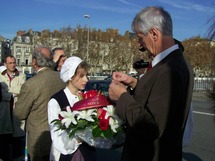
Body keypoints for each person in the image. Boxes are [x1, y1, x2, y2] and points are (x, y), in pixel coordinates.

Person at [108, 6, 194, 161]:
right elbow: (155, 97)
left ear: (154, 34)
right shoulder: (174, 62)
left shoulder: (169, 69)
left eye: (141, 37)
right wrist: (134, 82)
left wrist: (122, 96)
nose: (140, 44)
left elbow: (151, 127)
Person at [14, 45, 66, 161]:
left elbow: (19, 113)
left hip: (39, 140)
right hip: (59, 136)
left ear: (34, 62)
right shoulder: (62, 79)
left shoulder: (31, 84)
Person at [48, 56, 97, 161]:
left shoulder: (86, 97)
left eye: (86, 75)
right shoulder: (55, 101)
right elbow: (57, 137)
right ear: (70, 76)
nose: (86, 79)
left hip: (87, 153)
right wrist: (79, 138)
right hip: (67, 156)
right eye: (82, 76)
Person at [0, 55, 26, 161]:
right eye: (10, 63)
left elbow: (23, 90)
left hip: (17, 117)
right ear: (5, 64)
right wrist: (12, 94)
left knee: (18, 150)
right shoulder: (0, 77)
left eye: (14, 62)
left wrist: (6, 91)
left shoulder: (22, 76)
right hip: (3, 116)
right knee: (3, 150)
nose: (13, 65)